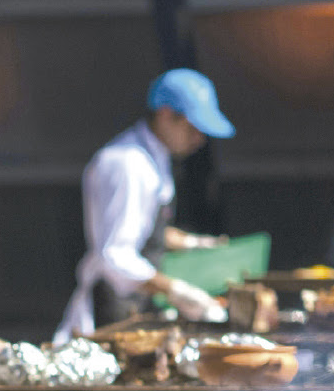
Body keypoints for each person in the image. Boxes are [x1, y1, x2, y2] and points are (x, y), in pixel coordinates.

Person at [54, 69, 233, 342]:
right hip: (109, 316)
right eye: (193, 127)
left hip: (136, 308)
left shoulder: (155, 159)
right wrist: (176, 290)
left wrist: (192, 244)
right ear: (164, 115)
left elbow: (144, 227)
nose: (199, 139)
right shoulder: (127, 164)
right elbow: (115, 255)